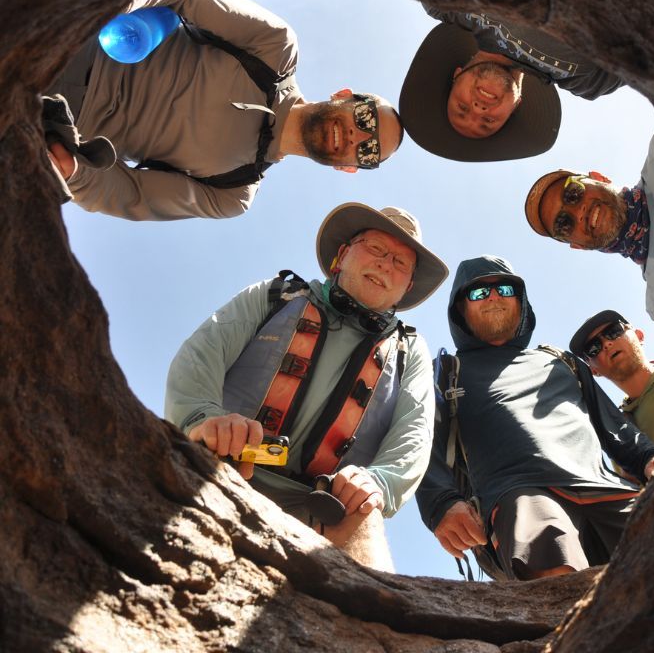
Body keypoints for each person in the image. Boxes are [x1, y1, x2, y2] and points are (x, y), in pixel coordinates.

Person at [164, 203, 448, 569]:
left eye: (400, 263)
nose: (385, 264)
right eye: (376, 249)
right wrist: (204, 419)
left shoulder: (410, 350)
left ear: (406, 288)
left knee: (365, 516)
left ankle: (371, 622)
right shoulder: (274, 296)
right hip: (230, 462)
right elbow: (200, 356)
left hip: (327, 506)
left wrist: (380, 482)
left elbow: (415, 432)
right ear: (342, 255)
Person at [44, 0, 404, 221]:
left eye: (369, 150)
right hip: (73, 35)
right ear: (344, 95)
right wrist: (113, 9)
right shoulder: (275, 48)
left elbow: (134, 194)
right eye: (366, 116)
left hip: (53, 130)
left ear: (350, 168)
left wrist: (75, 175)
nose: (358, 135)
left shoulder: (232, 194)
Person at [416, 255, 654, 580]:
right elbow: (421, 441)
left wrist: (651, 458)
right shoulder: (447, 372)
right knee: (551, 562)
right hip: (520, 495)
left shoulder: (562, 361)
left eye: (504, 288)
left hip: (603, 488)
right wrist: (441, 504)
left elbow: (614, 428)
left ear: (521, 302)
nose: (493, 296)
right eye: (478, 292)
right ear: (460, 309)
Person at [524, 127, 654, 342]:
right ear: (578, 246)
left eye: (573, 193)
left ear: (600, 177)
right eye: (564, 224)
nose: (578, 212)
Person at [398, 7, 624, 162]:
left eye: (462, 108)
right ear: (515, 106)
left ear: (456, 75)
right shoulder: (588, 81)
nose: (478, 109)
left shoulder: (444, 3)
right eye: (488, 121)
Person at [570, 310, 654, 452]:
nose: (606, 343)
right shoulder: (621, 434)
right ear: (593, 370)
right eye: (593, 347)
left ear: (639, 335)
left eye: (613, 331)